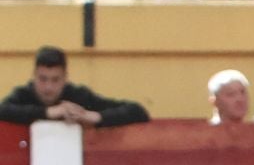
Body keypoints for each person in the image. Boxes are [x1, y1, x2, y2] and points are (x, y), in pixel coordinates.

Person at [0, 47, 150, 128]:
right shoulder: (23, 95)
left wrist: (94, 116)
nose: (48, 87)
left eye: (55, 80)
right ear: (34, 76)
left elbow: (138, 111)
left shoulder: (78, 96)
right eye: (43, 79)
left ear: (65, 78)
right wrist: (47, 112)